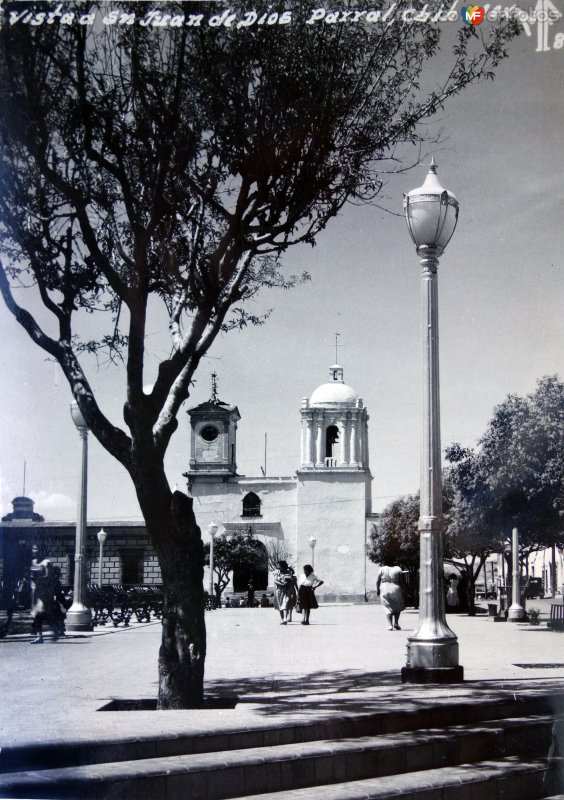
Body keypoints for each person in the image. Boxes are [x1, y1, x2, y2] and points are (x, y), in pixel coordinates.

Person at [30, 559, 64, 643]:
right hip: (42, 600)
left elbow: (57, 593)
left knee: (43, 616)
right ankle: (45, 634)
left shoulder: (53, 580)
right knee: (40, 616)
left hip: (48, 601)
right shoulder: (41, 579)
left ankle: (51, 631)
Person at [376, 564, 405, 631]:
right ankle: (396, 623)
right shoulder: (398, 569)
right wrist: (405, 590)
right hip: (396, 588)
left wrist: (378, 589)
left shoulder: (382, 569)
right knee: (397, 606)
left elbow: (378, 581)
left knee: (387, 606)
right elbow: (402, 581)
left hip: (385, 588)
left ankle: (390, 625)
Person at [273, 560, 297, 625]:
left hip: (287, 590)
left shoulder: (288, 571)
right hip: (279, 590)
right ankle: (282, 619)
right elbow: (275, 581)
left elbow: (292, 580)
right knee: (279, 605)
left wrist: (289, 582)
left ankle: (285, 618)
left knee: (285, 603)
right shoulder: (276, 572)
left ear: (283, 565)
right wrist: (282, 584)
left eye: (279, 565)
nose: (277, 566)